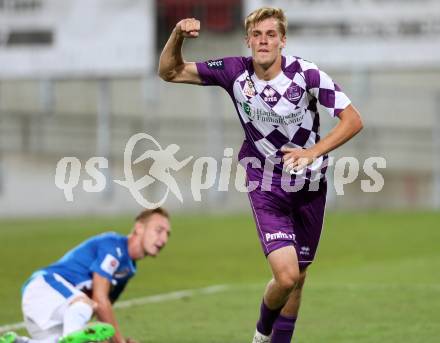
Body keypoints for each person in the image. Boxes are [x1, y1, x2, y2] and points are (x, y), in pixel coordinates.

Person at [158, 7, 363, 343]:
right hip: (266, 185)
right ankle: (261, 334)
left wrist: (312, 152)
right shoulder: (234, 72)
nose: (263, 41)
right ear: (247, 40)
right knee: (285, 277)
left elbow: (353, 119)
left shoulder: (307, 75)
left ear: (282, 40)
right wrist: (178, 35)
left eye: (271, 34)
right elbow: (170, 72)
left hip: (310, 187)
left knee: (298, 278)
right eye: (257, 34)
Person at [0, 208, 171, 343]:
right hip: (44, 288)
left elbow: (101, 318)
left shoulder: (129, 268)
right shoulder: (113, 246)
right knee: (86, 305)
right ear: (139, 227)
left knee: (88, 336)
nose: (163, 239)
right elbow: (100, 300)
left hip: (53, 312)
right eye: (159, 230)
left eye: (167, 234)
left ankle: (16, 341)